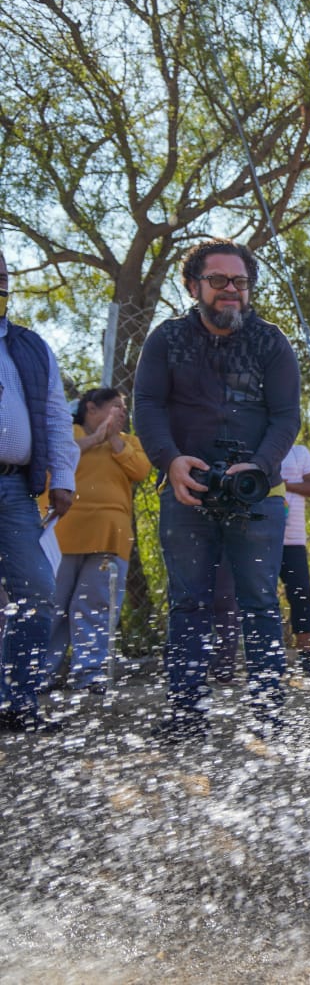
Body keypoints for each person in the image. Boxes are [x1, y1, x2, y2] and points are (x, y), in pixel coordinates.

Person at [134, 238, 299, 741]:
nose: (231, 290)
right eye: (219, 280)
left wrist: (261, 463)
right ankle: (186, 715)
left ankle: (270, 717)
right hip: (187, 487)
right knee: (188, 603)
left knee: (261, 603)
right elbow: (147, 405)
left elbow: (287, 415)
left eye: (240, 282)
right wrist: (170, 460)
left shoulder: (273, 341)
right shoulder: (165, 338)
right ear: (193, 285)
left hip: (257, 492)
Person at [0, 247, 79, 734]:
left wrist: (64, 478)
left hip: (14, 492)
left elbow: (54, 414)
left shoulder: (30, 346)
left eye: (3, 270)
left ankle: (18, 702)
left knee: (36, 592)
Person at [38, 387, 149, 700]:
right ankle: (42, 673)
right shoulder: (66, 434)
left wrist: (113, 439)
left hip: (108, 538)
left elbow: (140, 470)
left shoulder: (129, 443)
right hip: (61, 536)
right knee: (52, 607)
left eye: (124, 409)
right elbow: (51, 461)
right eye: (115, 407)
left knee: (96, 606)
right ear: (91, 407)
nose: (122, 413)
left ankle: (88, 674)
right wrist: (94, 439)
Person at [278, 441, 310, 677]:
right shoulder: (253, 443)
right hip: (258, 538)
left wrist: (286, 485)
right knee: (261, 598)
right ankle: (270, 658)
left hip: (294, 538)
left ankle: (306, 656)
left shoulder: (299, 452)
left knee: (301, 595)